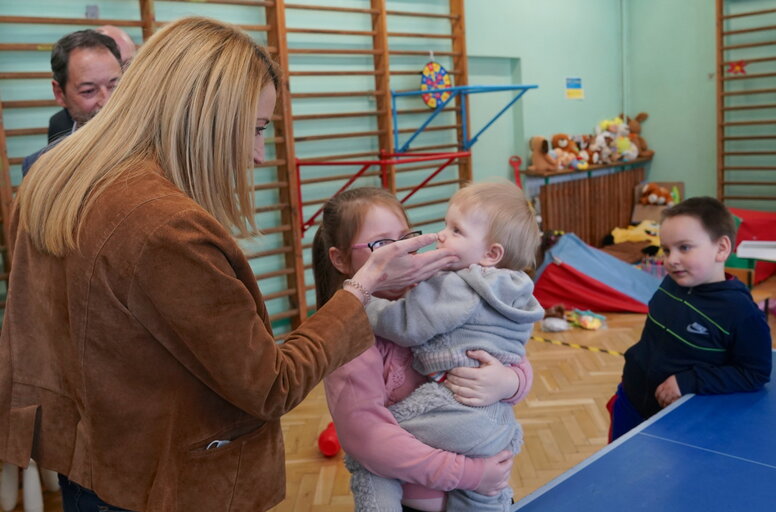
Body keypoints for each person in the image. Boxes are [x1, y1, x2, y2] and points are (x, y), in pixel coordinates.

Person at [0, 17, 457, 512]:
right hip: (159, 481)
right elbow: (270, 385)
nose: (260, 155)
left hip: (91, 458)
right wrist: (362, 286)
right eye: (256, 129)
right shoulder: (164, 226)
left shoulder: (55, 177)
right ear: (203, 116)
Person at [314, 184, 542, 512]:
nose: (400, 251)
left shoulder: (435, 286)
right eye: (381, 245)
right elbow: (370, 441)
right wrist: (473, 474)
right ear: (340, 259)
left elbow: (500, 349)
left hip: (477, 483)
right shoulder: (348, 340)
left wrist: (510, 382)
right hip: (428, 497)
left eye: (405, 238)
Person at [608, 196, 772, 442]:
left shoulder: (741, 312)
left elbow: (755, 373)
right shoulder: (671, 283)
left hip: (676, 420)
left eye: (684, 247)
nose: (671, 259)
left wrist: (689, 381)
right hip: (630, 400)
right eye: (666, 249)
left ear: (722, 248)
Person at [22, 29, 122, 176]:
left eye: (114, 86)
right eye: (88, 91)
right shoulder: (40, 170)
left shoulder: (158, 153)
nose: (107, 102)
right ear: (60, 94)